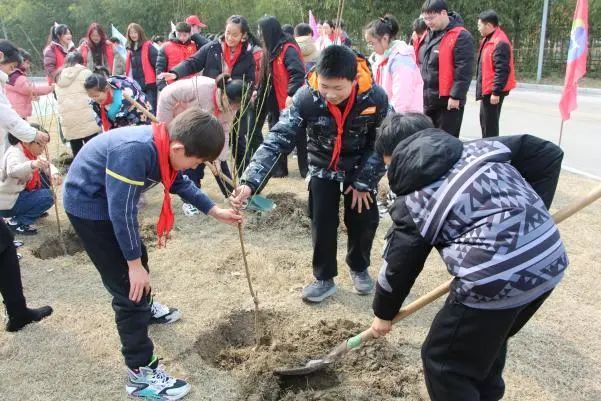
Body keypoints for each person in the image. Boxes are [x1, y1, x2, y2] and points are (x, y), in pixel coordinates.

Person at [370, 112, 567, 401]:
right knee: (485, 343)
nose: (390, 174)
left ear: (397, 155)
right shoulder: (480, 149)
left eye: (389, 165)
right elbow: (547, 153)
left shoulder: (413, 199)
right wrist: (526, 221)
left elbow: (399, 264)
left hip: (494, 278)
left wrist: (383, 313)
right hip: (550, 259)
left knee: (445, 363)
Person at [63, 107, 242, 400]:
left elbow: (178, 181)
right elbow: (121, 214)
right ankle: (140, 376)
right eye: (196, 161)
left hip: (109, 203)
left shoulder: (162, 145)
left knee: (138, 261)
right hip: (90, 206)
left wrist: (213, 210)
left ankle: (144, 307)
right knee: (128, 289)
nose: (193, 167)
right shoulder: (134, 152)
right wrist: (132, 265)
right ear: (179, 148)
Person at [230, 45, 389, 303]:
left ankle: (359, 267)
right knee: (321, 220)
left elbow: (385, 141)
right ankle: (324, 278)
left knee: (363, 219)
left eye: (338, 88)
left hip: (360, 166)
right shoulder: (307, 97)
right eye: (325, 86)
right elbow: (278, 138)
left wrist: (365, 180)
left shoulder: (375, 97)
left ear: (353, 81)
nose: (330, 94)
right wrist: (250, 182)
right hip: (322, 165)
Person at [159, 15, 257, 186]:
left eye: (235, 35)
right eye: (228, 33)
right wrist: (175, 73)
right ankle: (194, 188)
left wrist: (246, 94)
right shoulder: (213, 48)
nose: (230, 37)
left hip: (234, 104)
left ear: (243, 36)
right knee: (199, 145)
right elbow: (193, 62)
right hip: (210, 101)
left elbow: (249, 80)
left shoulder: (247, 55)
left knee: (238, 144)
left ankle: (245, 184)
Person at [157, 74, 251, 200]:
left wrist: (219, 158)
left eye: (238, 107)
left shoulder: (231, 109)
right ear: (224, 96)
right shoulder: (201, 87)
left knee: (219, 163)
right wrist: (166, 129)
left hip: (201, 132)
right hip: (180, 124)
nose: (234, 109)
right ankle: (190, 200)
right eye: (234, 105)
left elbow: (225, 132)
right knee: (191, 160)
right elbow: (167, 94)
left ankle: (232, 195)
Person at [255, 16, 305, 178]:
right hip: (274, 100)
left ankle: (305, 169)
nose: (260, 35)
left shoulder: (287, 48)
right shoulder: (269, 49)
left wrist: (291, 94)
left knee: (299, 135)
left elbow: (297, 73)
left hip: (289, 100)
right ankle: (279, 169)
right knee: (276, 134)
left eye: (262, 31)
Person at [418, 0, 475, 137]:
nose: (428, 22)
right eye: (425, 19)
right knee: (428, 139)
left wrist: (456, 96)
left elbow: (464, 69)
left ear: (443, 13)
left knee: (446, 140)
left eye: (431, 18)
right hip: (428, 99)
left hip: (448, 102)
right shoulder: (428, 34)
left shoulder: (461, 35)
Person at [0, 128, 60, 235]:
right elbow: (12, 171)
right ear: (27, 141)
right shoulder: (15, 153)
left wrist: (54, 174)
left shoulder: (28, 151)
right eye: (41, 145)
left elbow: (45, 164)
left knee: (44, 176)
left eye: (45, 146)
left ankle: (32, 209)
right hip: (8, 203)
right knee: (49, 196)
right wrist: (32, 164)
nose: (43, 149)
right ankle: (18, 222)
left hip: (18, 195)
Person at [1, 40, 50, 158]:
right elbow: (5, 114)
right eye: (11, 67)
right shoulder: (18, 78)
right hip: (16, 116)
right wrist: (33, 134)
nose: (10, 72)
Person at [364, 15, 423, 113]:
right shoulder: (380, 58)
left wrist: (388, 117)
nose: (370, 47)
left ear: (385, 38)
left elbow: (402, 99)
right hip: (390, 114)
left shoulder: (401, 59)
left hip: (405, 117)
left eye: (372, 43)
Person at [476, 10, 516, 138]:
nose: (478, 28)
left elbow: (502, 69)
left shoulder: (500, 42)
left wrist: (496, 92)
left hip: (492, 90)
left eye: (479, 25)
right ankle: (487, 144)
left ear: (488, 25)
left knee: (490, 124)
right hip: (487, 88)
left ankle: (491, 146)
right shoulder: (489, 39)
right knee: (485, 121)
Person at [54, 52, 101, 157]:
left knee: (78, 154)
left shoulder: (58, 77)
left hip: (68, 121)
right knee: (93, 152)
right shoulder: (86, 73)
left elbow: (57, 97)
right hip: (87, 118)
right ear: (81, 62)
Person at [85, 73, 152, 131]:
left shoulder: (126, 93)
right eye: (90, 96)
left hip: (140, 125)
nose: (94, 99)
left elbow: (137, 124)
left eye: (96, 96)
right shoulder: (95, 103)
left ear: (106, 89)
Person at [6, 49, 54, 119]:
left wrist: (30, 97)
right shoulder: (17, 77)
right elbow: (30, 89)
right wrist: (51, 88)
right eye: (27, 63)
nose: (28, 66)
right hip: (17, 113)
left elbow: (19, 92)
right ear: (19, 61)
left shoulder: (12, 75)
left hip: (14, 111)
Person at [126, 23, 159, 112]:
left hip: (149, 84)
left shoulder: (148, 46)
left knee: (152, 109)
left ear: (140, 33)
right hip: (136, 85)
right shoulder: (130, 49)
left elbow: (157, 64)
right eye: (131, 33)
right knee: (141, 110)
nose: (133, 35)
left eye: (135, 32)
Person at [156, 22, 197, 91]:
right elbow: (160, 68)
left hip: (191, 86)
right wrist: (162, 87)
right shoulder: (166, 47)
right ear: (175, 33)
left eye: (185, 35)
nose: (182, 37)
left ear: (189, 34)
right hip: (173, 86)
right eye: (179, 35)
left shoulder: (194, 45)